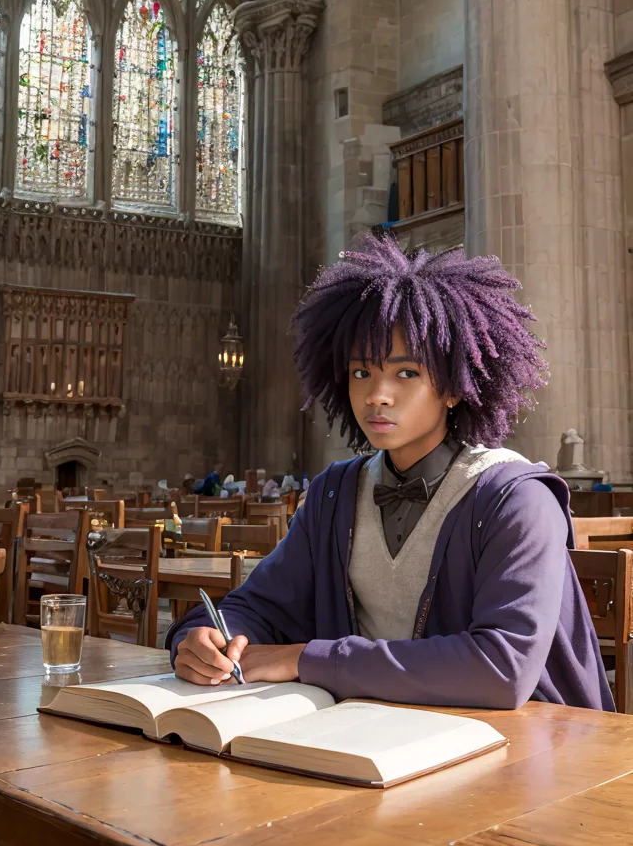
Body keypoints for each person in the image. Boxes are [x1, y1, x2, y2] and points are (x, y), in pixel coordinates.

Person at [166, 235, 613, 712]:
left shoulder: (516, 500)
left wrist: (310, 659)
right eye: (361, 373)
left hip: (532, 751)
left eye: (406, 373)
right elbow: (260, 604)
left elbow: (503, 669)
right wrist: (208, 639)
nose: (376, 394)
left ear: (455, 388)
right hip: (376, 738)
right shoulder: (334, 493)